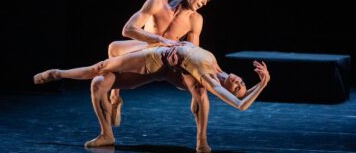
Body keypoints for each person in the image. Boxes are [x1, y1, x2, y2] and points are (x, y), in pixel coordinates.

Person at [34, 42, 271, 152]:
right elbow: (241, 96)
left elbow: (240, 106)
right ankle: (105, 110)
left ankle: (57, 73)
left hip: (155, 59)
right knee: (105, 65)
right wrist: (257, 83)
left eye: (238, 87)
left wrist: (263, 84)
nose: (240, 83)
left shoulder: (209, 79)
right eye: (242, 82)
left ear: (228, 91)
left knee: (101, 67)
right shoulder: (218, 69)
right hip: (163, 51)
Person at [79, 0, 217, 151]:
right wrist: (161, 40)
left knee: (200, 88)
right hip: (144, 60)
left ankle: (202, 141)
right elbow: (128, 29)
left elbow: (193, 54)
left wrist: (184, 70)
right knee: (99, 80)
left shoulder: (196, 20)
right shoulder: (157, 2)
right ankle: (107, 131)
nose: (205, 2)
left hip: (169, 66)